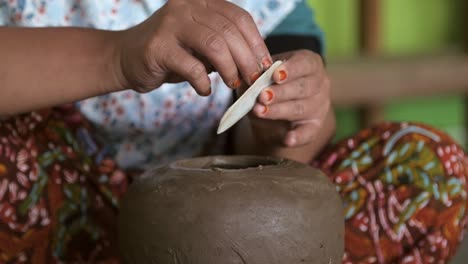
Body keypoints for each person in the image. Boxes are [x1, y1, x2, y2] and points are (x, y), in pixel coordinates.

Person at [0, 0, 466, 263]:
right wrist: (118, 56)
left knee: (426, 166)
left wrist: (284, 125)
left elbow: (297, 136)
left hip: (221, 223)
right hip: (70, 220)